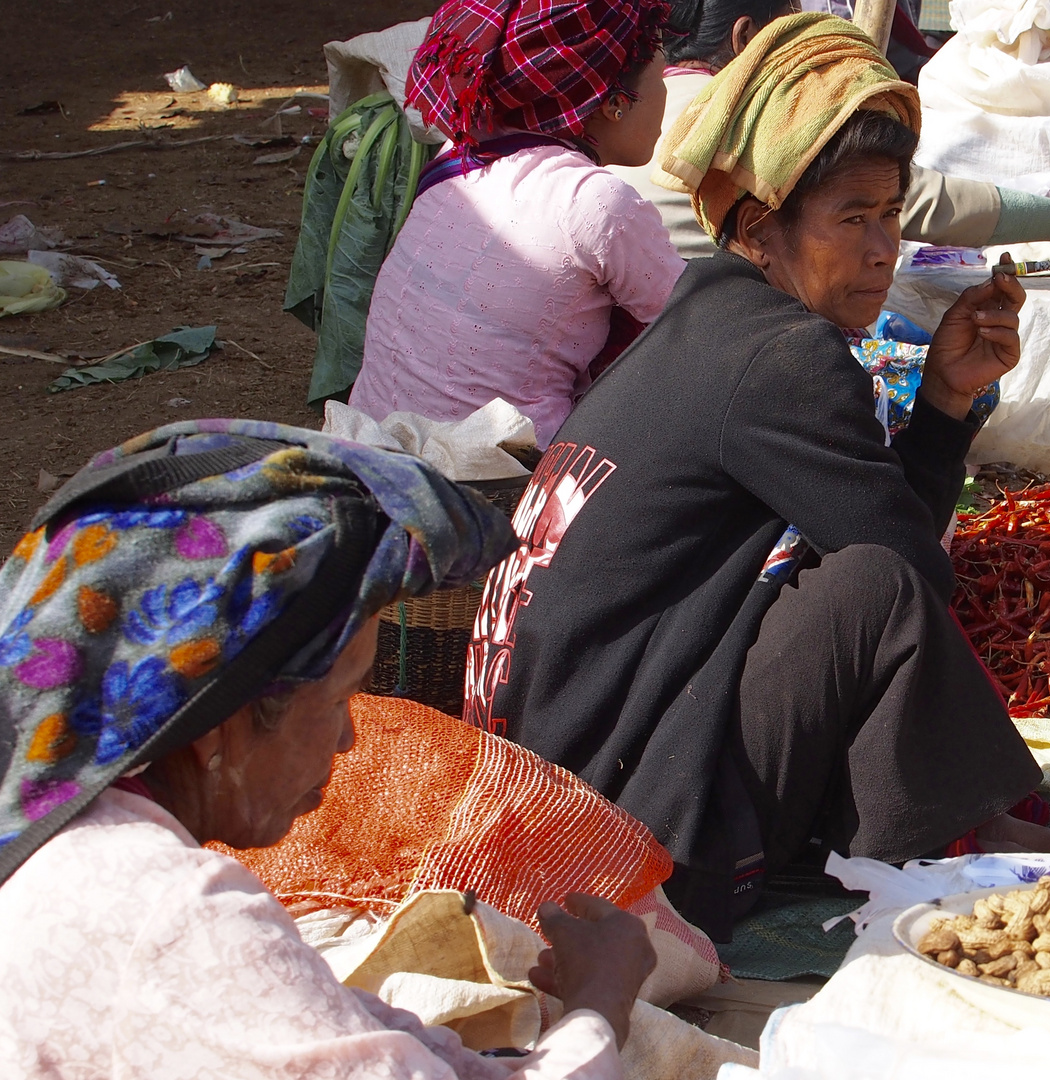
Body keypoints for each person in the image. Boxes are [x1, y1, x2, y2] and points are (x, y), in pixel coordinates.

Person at [465, 13, 1050, 943]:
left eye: (890, 215)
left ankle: (923, 827)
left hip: (556, 802)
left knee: (853, 579)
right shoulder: (783, 358)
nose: (883, 249)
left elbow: (875, 536)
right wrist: (931, 435)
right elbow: (903, 575)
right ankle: (944, 838)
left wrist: (939, 406)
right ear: (762, 230)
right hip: (627, 845)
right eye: (851, 219)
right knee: (871, 582)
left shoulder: (701, 324)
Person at [0, 422, 658, 1079]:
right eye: (340, 701)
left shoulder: (67, 841)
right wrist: (600, 1002)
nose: (349, 738)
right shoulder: (174, 917)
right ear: (216, 729)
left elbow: (361, 1035)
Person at [348, 0, 688, 443]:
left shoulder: (459, 157)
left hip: (368, 451)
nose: (668, 94)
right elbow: (693, 324)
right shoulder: (595, 202)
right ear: (616, 104)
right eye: (661, 78)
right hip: (497, 482)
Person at [607, 0, 1050, 258]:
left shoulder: (634, 113)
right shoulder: (769, 113)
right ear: (747, 36)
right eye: (794, 21)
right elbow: (923, 199)